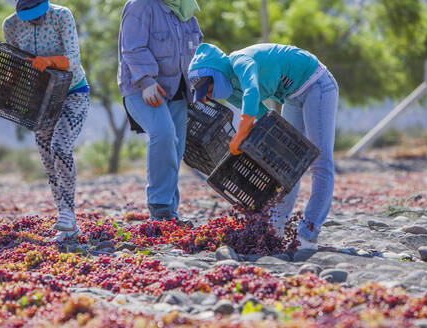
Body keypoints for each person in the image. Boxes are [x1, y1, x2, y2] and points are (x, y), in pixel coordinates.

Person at [188, 43, 339, 250]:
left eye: (210, 87)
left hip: (316, 84)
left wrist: (240, 134)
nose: (210, 95)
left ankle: (308, 234)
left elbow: (251, 92)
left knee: (321, 161)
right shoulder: (231, 92)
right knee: (284, 165)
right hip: (292, 97)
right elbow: (261, 114)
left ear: (216, 72)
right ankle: (274, 229)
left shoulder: (240, 61)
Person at [2, 0, 90, 241]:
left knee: (60, 146)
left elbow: (73, 58)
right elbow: (15, 63)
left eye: (38, 15)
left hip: (73, 93)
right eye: (29, 16)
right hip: (42, 99)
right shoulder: (11, 26)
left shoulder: (62, 16)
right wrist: (7, 86)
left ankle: (69, 212)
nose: (34, 20)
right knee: (47, 157)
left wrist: (49, 61)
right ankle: (66, 220)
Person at [117, 0, 203, 222]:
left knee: (176, 147)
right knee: (163, 134)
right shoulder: (140, 6)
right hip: (142, 87)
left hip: (178, 89)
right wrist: (146, 81)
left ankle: (170, 214)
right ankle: (159, 205)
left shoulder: (186, 9)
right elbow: (132, 47)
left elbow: (196, 46)